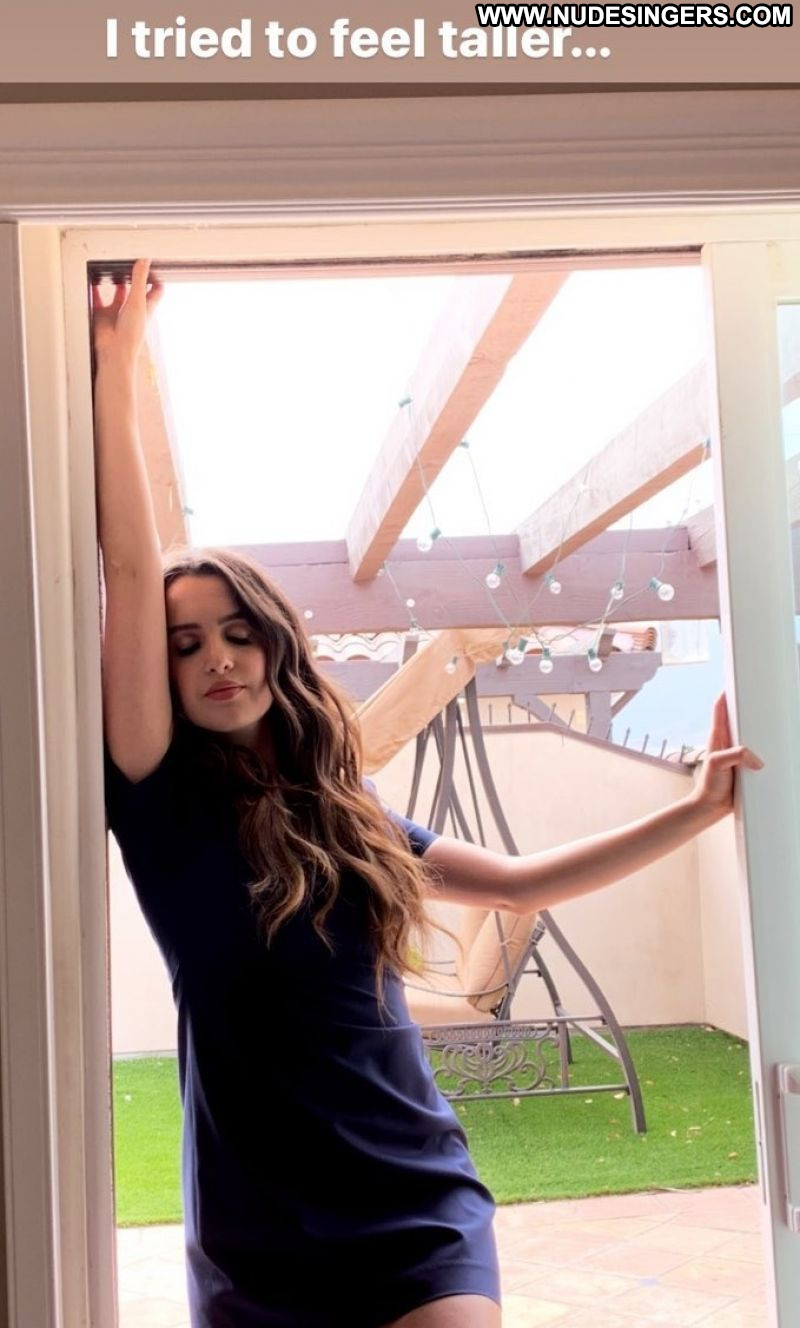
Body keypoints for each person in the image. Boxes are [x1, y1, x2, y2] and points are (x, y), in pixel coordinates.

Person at [94, 260, 762, 1328]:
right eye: (185, 644)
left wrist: (695, 809)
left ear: (274, 648)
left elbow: (517, 881)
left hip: (412, 1195)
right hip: (257, 1220)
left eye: (238, 632)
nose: (216, 657)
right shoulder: (157, 802)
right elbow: (130, 569)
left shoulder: (342, 809)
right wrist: (116, 365)